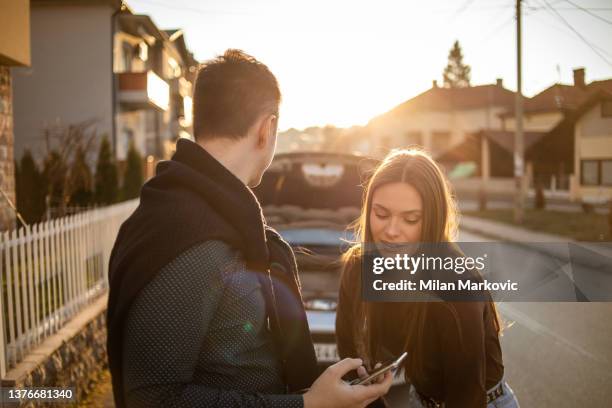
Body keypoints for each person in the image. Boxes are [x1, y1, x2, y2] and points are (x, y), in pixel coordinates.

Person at [106, 49, 393, 407]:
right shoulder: (194, 238)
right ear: (266, 128)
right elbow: (153, 398)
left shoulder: (193, 214)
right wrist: (307, 405)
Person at [335, 149, 520, 407]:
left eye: (410, 219)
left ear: (432, 221)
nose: (390, 231)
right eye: (381, 214)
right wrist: (366, 388)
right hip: (421, 400)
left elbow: (466, 398)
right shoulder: (358, 267)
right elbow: (348, 351)